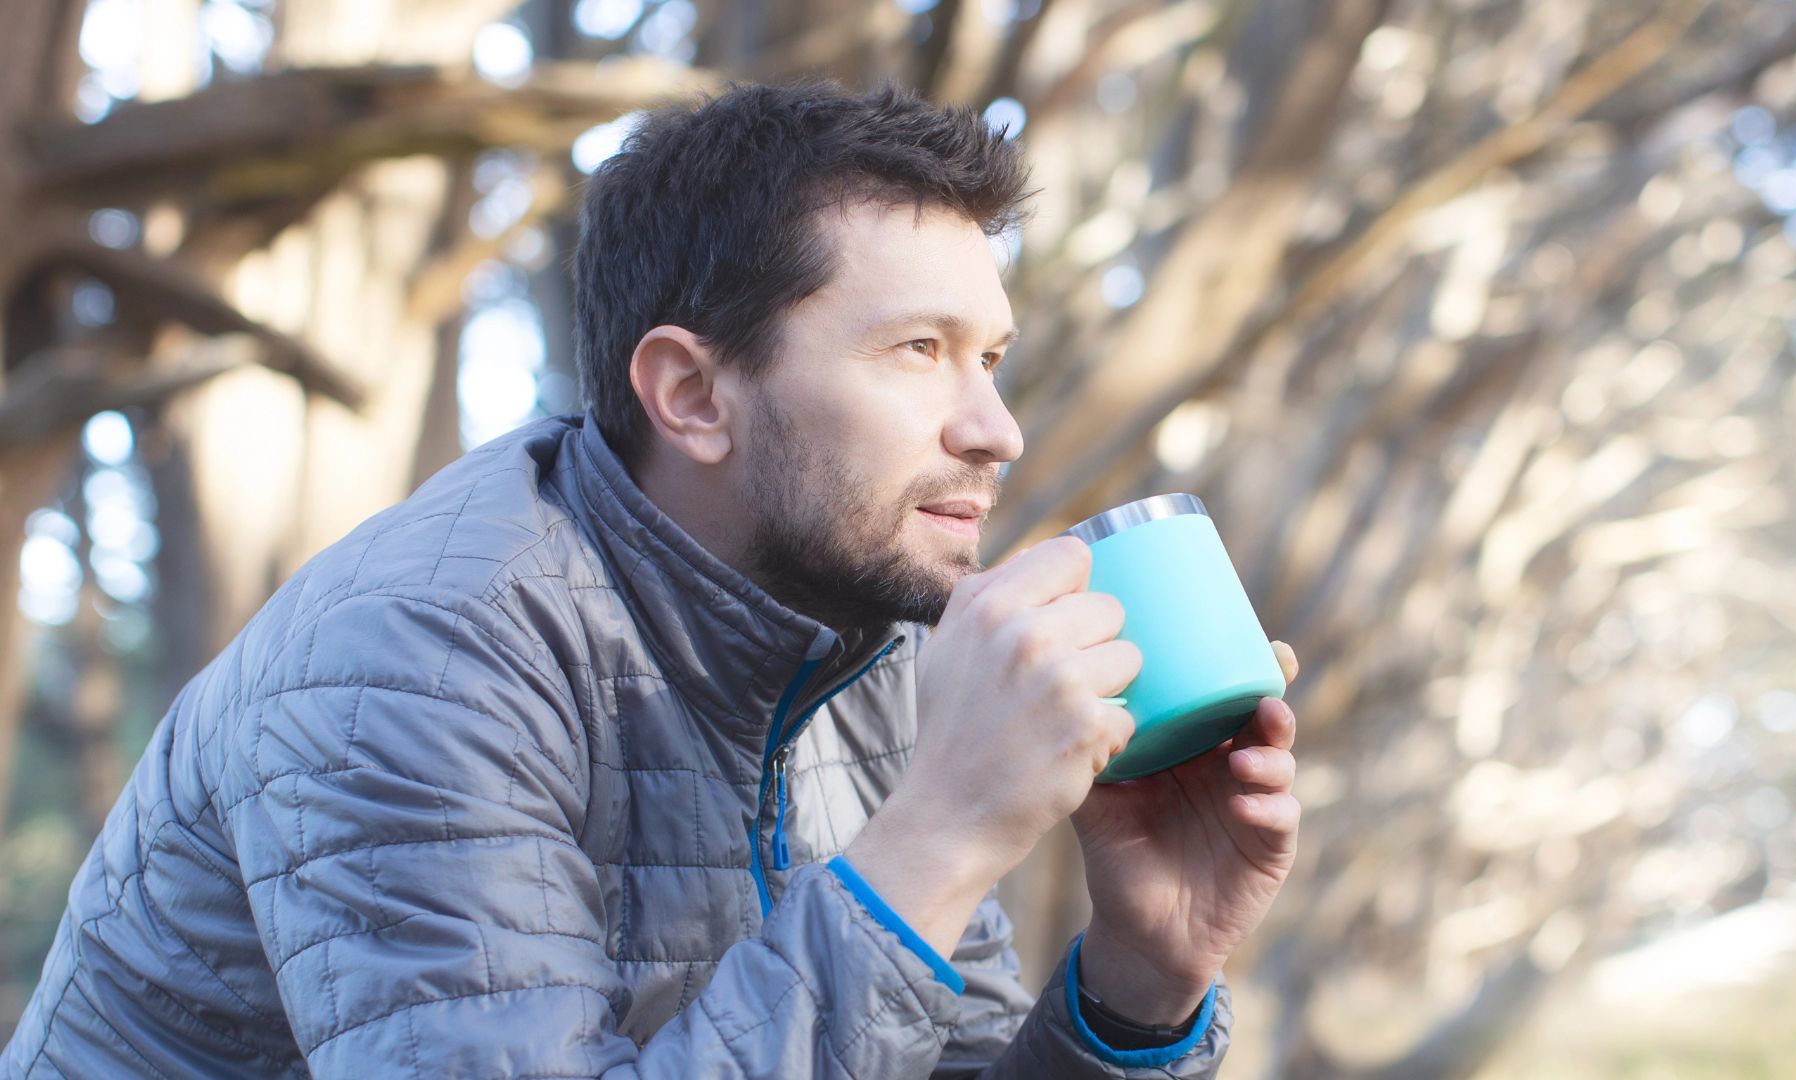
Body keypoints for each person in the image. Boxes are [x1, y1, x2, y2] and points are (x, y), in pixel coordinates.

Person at [1, 80, 1301, 1079]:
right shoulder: (413, 660)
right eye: (919, 349)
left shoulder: (868, 648)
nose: (995, 430)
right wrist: (941, 835)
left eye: (992, 359)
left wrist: (1141, 982)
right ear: (691, 394)